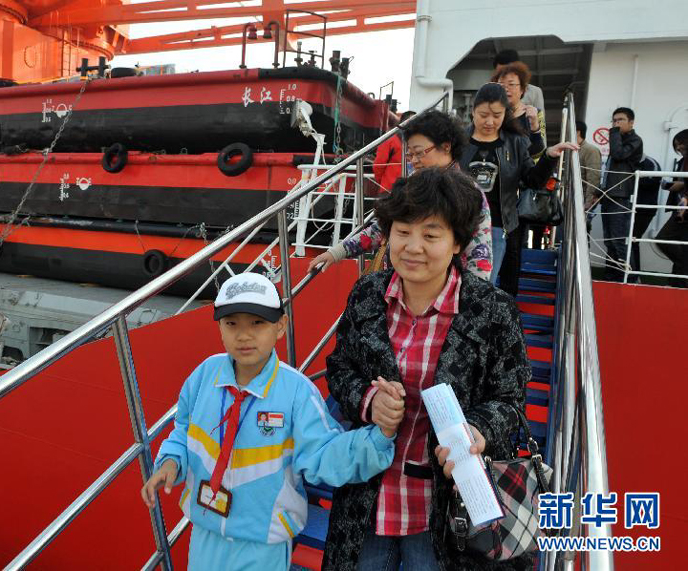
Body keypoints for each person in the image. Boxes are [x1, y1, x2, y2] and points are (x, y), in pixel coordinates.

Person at [321, 167, 532, 571]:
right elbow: (340, 367)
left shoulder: (492, 310)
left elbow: (510, 399)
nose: (413, 246)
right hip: (369, 497)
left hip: (448, 508)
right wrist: (368, 401)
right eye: (402, 231)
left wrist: (477, 430)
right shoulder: (367, 294)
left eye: (431, 235)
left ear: (457, 243)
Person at [140, 272, 399, 570]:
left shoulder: (296, 392)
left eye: (257, 323)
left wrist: (380, 436)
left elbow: (325, 454)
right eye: (231, 323)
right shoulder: (204, 375)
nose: (244, 335)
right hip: (205, 533)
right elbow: (184, 430)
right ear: (220, 328)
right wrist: (171, 461)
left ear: (280, 326)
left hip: (264, 544)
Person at [308, 110, 494, 280]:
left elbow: (479, 254)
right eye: (410, 154)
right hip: (403, 285)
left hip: (447, 292)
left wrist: (472, 301)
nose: (414, 161)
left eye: (419, 153)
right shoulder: (411, 184)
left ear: (446, 147)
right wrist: (337, 252)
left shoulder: (469, 193)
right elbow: (380, 227)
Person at [458, 83, 576, 296]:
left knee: (481, 291)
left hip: (497, 227)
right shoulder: (458, 141)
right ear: (473, 111)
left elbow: (533, 181)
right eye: (483, 114)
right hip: (457, 225)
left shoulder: (516, 142)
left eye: (497, 115)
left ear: (506, 114)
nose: (490, 121)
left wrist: (549, 156)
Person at [601, 106, 644, 281]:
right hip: (610, 194)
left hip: (621, 196)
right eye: (614, 120)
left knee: (619, 241)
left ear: (631, 122)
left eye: (621, 120)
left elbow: (618, 154)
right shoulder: (619, 139)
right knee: (609, 240)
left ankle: (628, 279)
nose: (616, 124)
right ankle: (612, 277)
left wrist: (614, 132)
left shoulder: (635, 140)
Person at [491, 61, 546, 159]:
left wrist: (534, 126)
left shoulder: (534, 114)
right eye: (501, 85)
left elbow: (538, 152)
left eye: (511, 84)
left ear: (522, 89)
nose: (506, 89)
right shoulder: (492, 114)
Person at [656, 129, 688, 287]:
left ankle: (681, 276)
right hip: (681, 208)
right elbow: (680, 184)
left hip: (684, 208)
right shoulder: (683, 161)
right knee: (680, 244)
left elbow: (682, 184)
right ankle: (678, 281)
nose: (680, 148)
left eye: (682, 144)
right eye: (677, 146)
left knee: (664, 239)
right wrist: (666, 184)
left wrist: (668, 184)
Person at [493, 49, 545, 124]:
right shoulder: (492, 91)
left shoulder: (535, 92)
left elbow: (541, 123)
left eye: (507, 71)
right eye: (499, 72)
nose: (503, 74)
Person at [372, 111, 415, 192]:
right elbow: (378, 165)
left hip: (409, 190)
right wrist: (383, 183)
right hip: (390, 190)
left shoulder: (420, 142)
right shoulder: (390, 140)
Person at [577, 120, 603, 213]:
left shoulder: (590, 150)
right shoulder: (571, 150)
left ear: (578, 132)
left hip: (582, 200)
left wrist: (588, 202)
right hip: (570, 199)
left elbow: (593, 177)